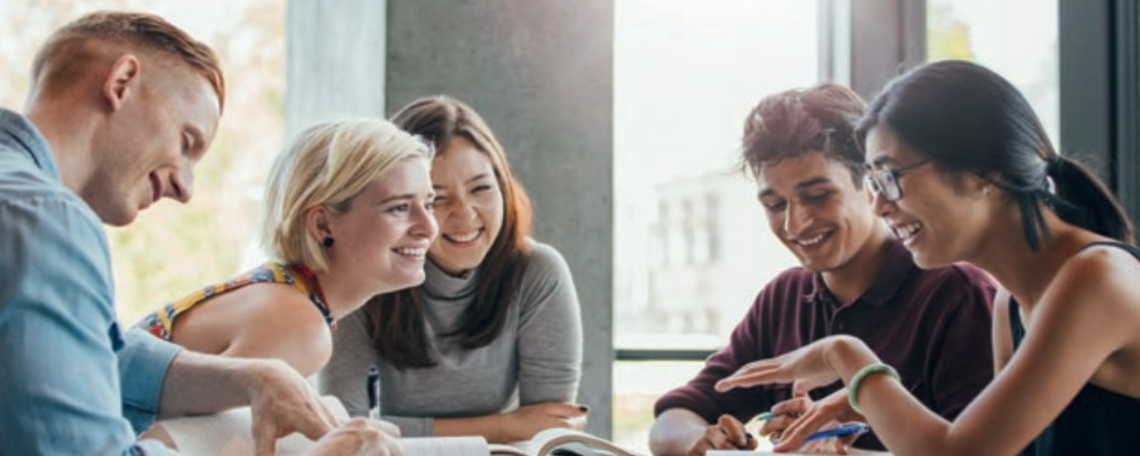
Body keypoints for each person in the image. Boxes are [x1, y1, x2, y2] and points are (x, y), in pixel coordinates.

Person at [0, 11, 398, 455]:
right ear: (122, 83)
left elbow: (97, 351)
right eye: (186, 142)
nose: (185, 190)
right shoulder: (43, 219)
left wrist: (256, 377)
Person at [716, 60, 1140, 456]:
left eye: (890, 178)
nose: (879, 206)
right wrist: (859, 421)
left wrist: (846, 357)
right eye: (873, 182)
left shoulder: (1095, 278)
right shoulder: (1009, 303)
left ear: (983, 171)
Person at [648, 83, 997, 456]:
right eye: (775, 205)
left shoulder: (957, 295)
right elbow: (674, 417)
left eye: (817, 196)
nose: (795, 225)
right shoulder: (784, 298)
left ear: (871, 184)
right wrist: (700, 443)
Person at [318, 95, 586, 443]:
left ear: (504, 186)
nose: (465, 214)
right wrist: (505, 425)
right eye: (437, 198)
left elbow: (549, 429)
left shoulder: (537, 272)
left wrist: (404, 430)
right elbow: (345, 431)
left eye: (481, 188)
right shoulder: (363, 274)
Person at [135, 117, 437, 378]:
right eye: (399, 208)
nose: (429, 227)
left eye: (429, 204)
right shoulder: (297, 327)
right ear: (322, 225)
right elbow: (170, 441)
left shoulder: (287, 295)